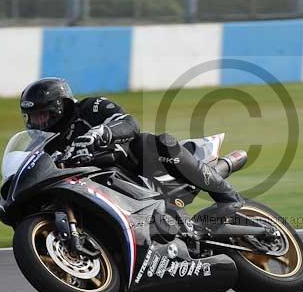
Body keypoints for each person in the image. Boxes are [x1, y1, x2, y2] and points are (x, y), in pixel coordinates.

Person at [18, 77, 244, 219]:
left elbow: (129, 123)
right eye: (33, 117)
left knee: (153, 142)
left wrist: (101, 133)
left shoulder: (91, 108)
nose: (38, 122)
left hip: (135, 167)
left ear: (60, 106)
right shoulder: (46, 143)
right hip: (98, 186)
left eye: (43, 115)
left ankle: (228, 197)